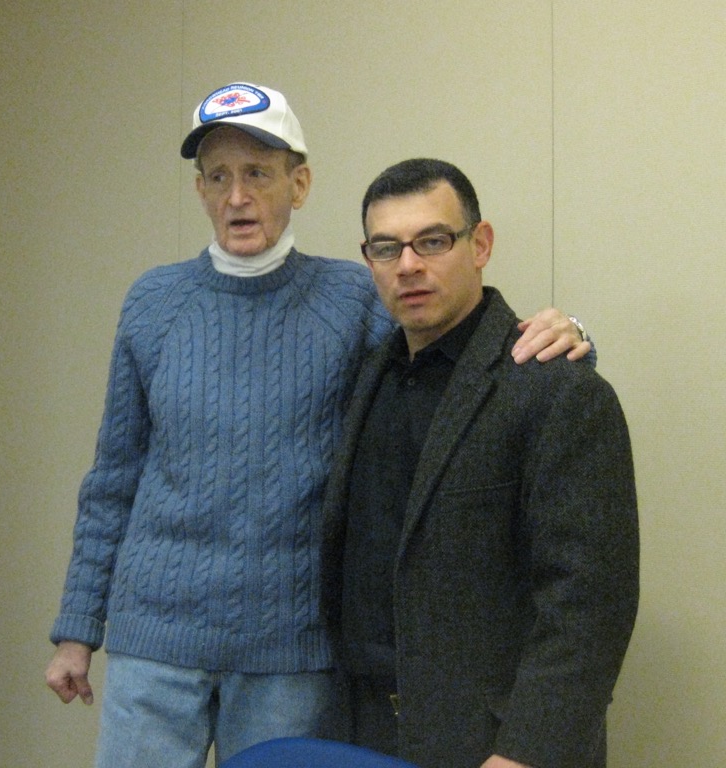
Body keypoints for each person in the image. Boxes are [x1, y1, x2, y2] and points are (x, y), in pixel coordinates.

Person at [45, 84, 592, 768]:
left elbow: (458, 362)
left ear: (298, 185)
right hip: (153, 644)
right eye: (218, 177)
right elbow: (113, 478)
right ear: (200, 190)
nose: (237, 197)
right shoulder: (152, 303)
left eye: (257, 174)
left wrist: (568, 338)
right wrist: (77, 629)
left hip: (291, 653)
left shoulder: (355, 298)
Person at [321, 158, 639, 768]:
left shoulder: (557, 390)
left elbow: (590, 604)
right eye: (386, 247)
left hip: (493, 744)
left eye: (432, 241)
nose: (408, 265)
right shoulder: (366, 377)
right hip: (362, 730)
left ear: (481, 244)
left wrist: (526, 752)